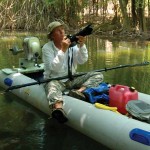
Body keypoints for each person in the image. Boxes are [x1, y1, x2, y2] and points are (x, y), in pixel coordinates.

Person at [42, 21, 103, 123]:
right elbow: (54, 68)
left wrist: (82, 45)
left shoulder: (72, 45)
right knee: (51, 85)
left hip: (72, 78)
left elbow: (82, 60)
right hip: (56, 80)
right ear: (52, 35)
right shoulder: (47, 48)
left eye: (62, 29)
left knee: (97, 75)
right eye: (58, 31)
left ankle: (79, 92)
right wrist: (63, 50)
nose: (62, 32)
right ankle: (58, 109)